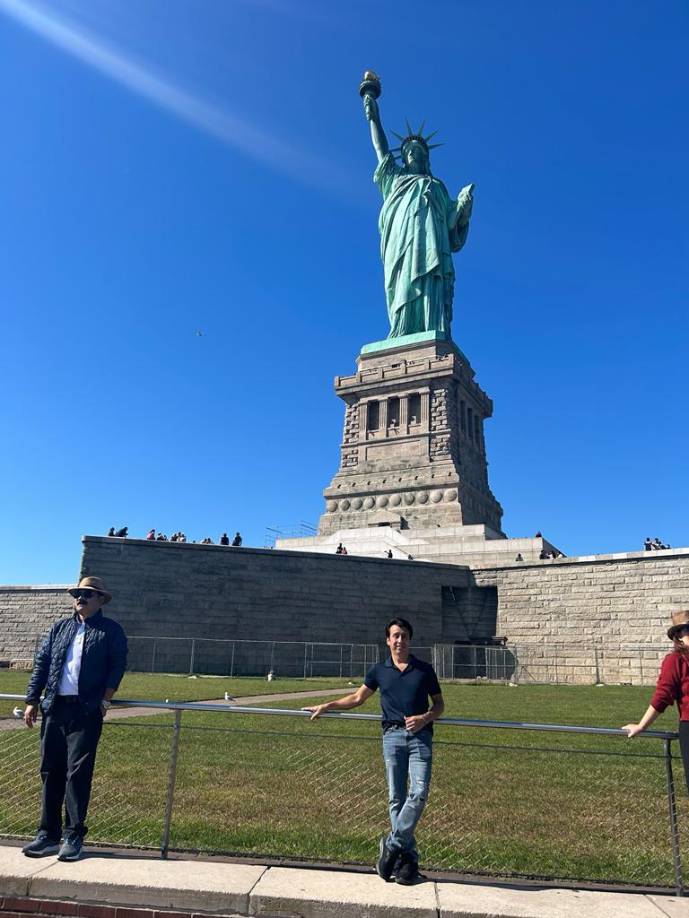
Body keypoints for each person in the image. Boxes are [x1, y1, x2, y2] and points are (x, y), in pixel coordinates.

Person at [304, 617, 444, 885]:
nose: (400, 640)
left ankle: (391, 846)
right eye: (395, 636)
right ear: (388, 640)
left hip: (420, 738)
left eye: (404, 635)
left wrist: (425, 718)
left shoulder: (424, 670)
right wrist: (328, 705)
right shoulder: (379, 670)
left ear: (410, 640)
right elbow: (357, 698)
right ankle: (407, 860)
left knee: (419, 792)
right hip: (392, 737)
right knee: (396, 798)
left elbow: (439, 705)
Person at [22, 576, 127, 862]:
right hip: (55, 708)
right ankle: (47, 835)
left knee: (77, 774)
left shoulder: (110, 631)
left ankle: (73, 835)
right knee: (50, 771)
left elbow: (117, 665)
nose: (81, 597)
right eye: (78, 593)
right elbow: (42, 663)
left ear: (101, 600)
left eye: (88, 594)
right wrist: (32, 700)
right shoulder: (60, 628)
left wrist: (106, 699)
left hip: (86, 710)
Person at [362, 79, 474, 339]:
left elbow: (451, 226)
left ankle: (431, 327)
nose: (413, 153)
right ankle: (401, 329)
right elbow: (380, 149)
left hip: (432, 244)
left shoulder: (437, 186)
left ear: (426, 157)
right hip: (400, 244)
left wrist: (463, 209)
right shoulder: (395, 179)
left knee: (432, 277)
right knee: (401, 282)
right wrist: (373, 117)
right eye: (408, 150)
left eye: (418, 150)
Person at [623, 609, 689, 793]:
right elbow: (663, 695)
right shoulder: (676, 660)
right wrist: (642, 726)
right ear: (678, 636)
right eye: (687, 629)